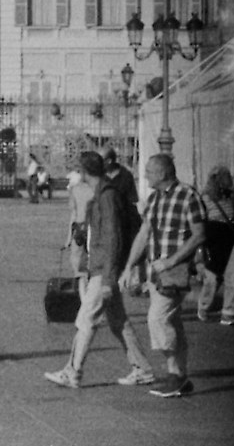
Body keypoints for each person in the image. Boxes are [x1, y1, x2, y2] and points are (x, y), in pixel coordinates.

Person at [47, 152, 156, 388]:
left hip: (104, 270)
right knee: (119, 321)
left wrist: (107, 278)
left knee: (85, 320)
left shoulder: (106, 196)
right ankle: (143, 368)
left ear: (85, 172)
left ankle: (73, 371)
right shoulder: (104, 193)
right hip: (103, 267)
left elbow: (112, 237)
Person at [126, 153, 209, 399]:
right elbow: (144, 233)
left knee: (157, 319)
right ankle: (179, 375)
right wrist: (130, 264)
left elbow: (199, 234)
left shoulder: (188, 196)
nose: (146, 175)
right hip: (156, 272)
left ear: (162, 173)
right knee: (172, 322)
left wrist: (172, 260)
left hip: (176, 270)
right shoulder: (153, 198)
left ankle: (175, 374)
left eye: (150, 171)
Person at [198, 166, 234, 324]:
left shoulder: (230, 196)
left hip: (230, 236)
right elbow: (201, 220)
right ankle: (204, 306)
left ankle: (228, 311)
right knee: (211, 276)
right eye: (225, 177)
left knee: (232, 275)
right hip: (215, 237)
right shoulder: (204, 197)